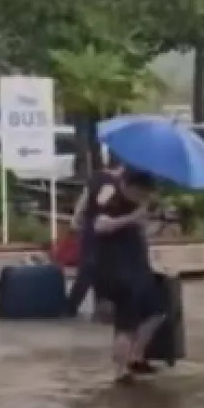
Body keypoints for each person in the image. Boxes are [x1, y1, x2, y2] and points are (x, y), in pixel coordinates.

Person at [84, 166, 167, 385]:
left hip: (137, 267)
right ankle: (121, 370)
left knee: (157, 311)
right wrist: (132, 217)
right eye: (140, 193)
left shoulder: (136, 204)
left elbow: (140, 229)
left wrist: (150, 223)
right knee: (126, 324)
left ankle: (134, 356)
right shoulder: (111, 196)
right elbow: (100, 226)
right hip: (116, 269)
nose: (143, 198)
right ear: (128, 186)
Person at [64, 152, 123, 318]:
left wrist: (76, 220)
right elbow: (101, 201)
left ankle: (83, 306)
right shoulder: (113, 182)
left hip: (90, 226)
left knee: (93, 268)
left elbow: (83, 201)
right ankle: (73, 306)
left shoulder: (96, 177)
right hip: (102, 229)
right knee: (93, 268)